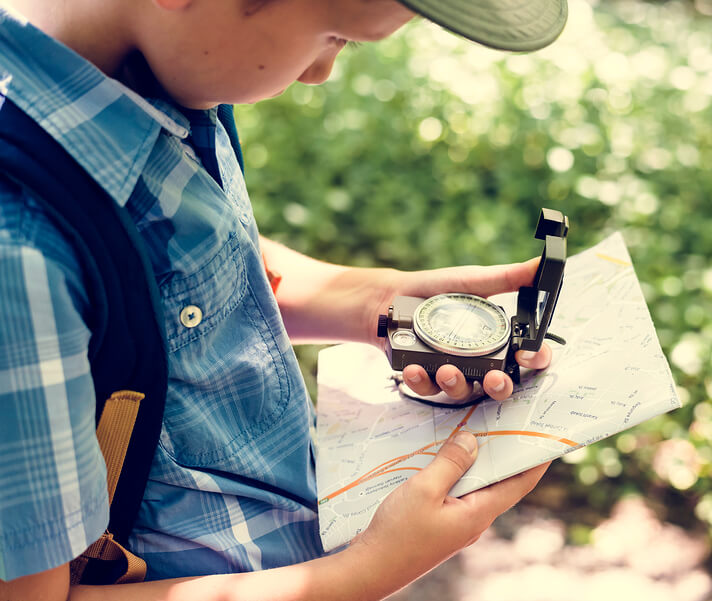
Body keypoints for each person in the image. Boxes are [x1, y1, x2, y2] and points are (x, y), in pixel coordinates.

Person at [0, 0, 566, 599]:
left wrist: (378, 301)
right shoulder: (20, 256)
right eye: (335, 36)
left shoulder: (161, 81)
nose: (322, 72)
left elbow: (189, 271)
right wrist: (368, 571)